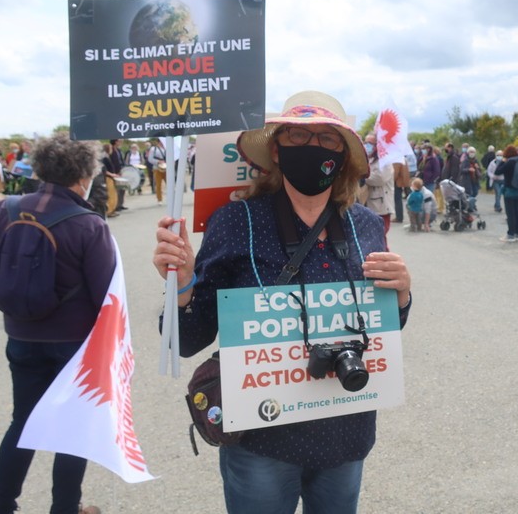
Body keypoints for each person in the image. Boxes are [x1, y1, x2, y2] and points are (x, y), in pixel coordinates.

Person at [151, 90, 411, 514]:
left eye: (328, 139)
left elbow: (383, 328)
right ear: (275, 149)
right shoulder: (237, 222)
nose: (313, 148)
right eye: (297, 136)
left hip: (346, 429)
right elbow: (187, 339)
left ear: (343, 156)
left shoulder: (364, 224)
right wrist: (180, 287)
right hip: (262, 438)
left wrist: (401, 294)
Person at [0, 135, 113, 514]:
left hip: (21, 337)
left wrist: (11, 295)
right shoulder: (88, 223)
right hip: (74, 344)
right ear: (83, 175)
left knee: (23, 422)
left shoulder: (7, 210)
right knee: (73, 428)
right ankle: (65, 508)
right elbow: (107, 294)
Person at [363, 133, 395, 238]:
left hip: (381, 206)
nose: (367, 145)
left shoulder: (385, 160)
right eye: (365, 142)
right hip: (369, 203)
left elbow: (379, 179)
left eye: (370, 143)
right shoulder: (370, 158)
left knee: (379, 237)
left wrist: (363, 177)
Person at [146, 138, 166, 203]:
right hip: (157, 168)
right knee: (158, 185)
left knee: (170, 184)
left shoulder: (166, 148)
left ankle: (172, 198)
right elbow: (150, 159)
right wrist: (158, 161)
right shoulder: (153, 149)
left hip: (166, 168)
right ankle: (159, 199)